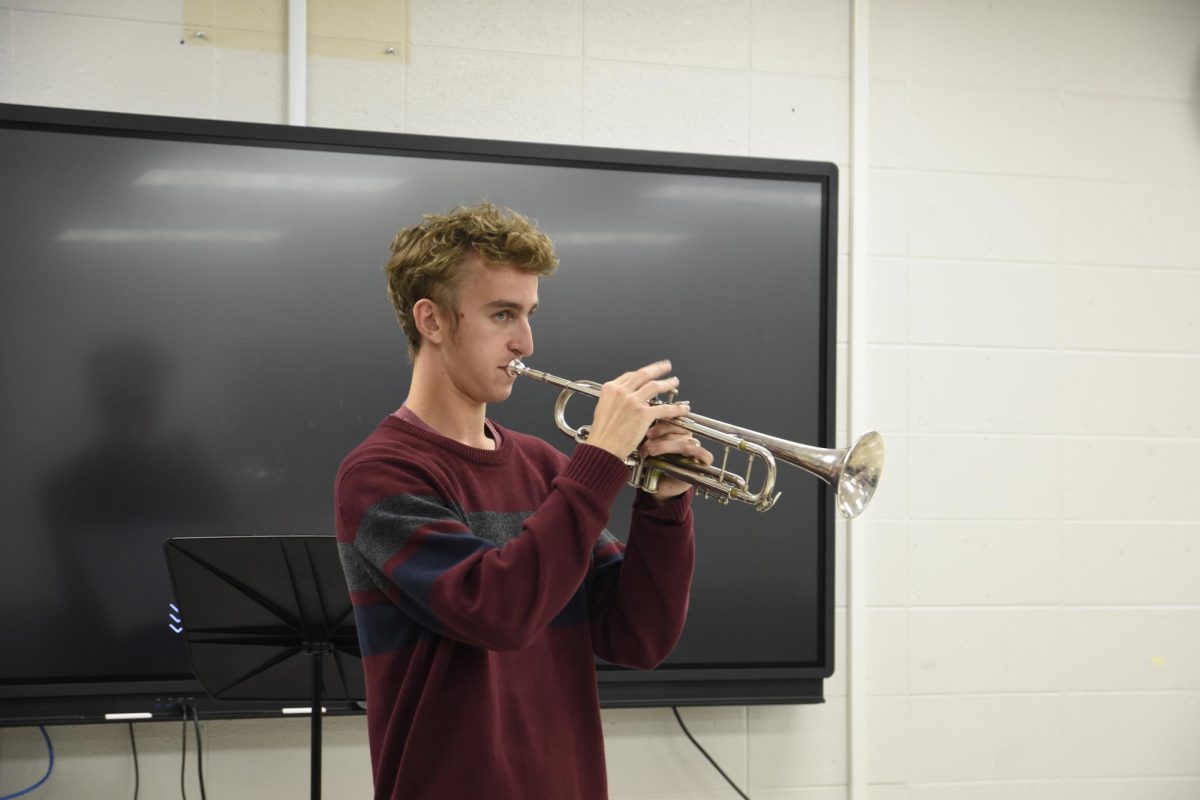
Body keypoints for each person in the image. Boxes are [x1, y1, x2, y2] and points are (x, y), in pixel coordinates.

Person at [334, 201, 712, 799]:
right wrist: (603, 459)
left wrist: (663, 506)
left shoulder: (545, 466)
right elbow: (498, 611)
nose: (526, 343)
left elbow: (637, 638)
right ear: (431, 321)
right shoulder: (380, 474)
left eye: (530, 314)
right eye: (502, 314)